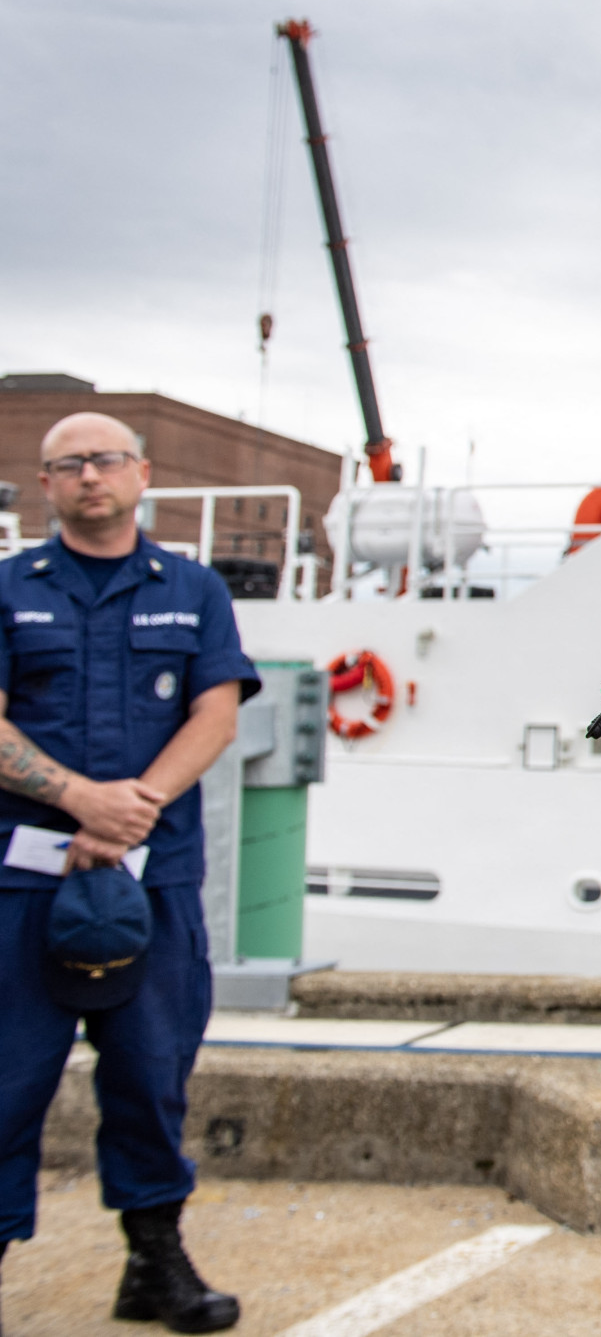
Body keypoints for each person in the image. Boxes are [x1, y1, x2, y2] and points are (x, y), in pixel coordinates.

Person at [0, 413, 257, 1333]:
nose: (88, 476)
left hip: (152, 881)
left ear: (142, 473)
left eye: (105, 459)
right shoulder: (7, 588)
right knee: (6, 1080)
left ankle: (155, 1264)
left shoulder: (192, 590)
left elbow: (215, 715)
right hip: (26, 886)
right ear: (46, 484)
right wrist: (80, 799)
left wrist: (130, 807)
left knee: (152, 1076)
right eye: (66, 464)